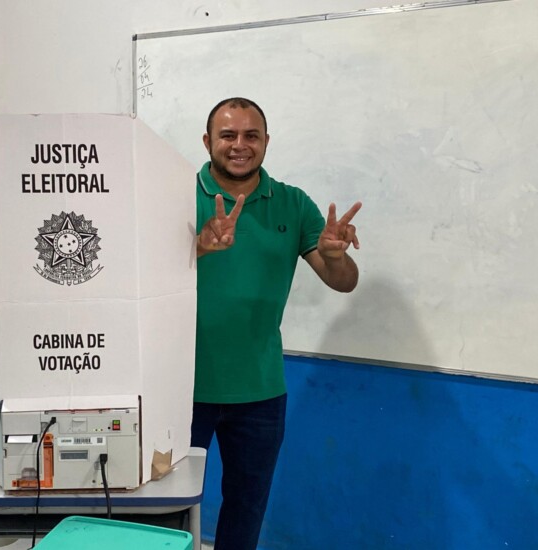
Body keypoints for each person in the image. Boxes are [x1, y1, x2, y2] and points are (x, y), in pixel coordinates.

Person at [192, 97, 362, 550]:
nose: (240, 145)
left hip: (260, 391)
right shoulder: (173, 195)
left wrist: (333, 256)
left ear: (266, 141)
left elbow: (343, 282)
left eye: (251, 135)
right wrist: (198, 248)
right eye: (228, 135)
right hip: (179, 387)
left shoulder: (293, 204)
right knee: (167, 510)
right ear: (208, 141)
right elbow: (135, 279)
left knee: (246, 508)